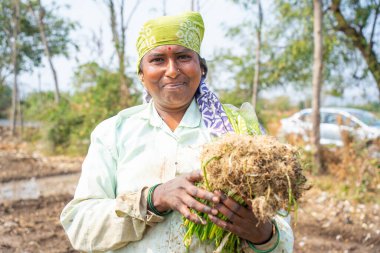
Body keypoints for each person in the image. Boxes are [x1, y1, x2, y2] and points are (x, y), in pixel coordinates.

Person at [60, 11, 294, 253]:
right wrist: (153, 199)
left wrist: (263, 236)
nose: (172, 70)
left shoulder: (239, 130)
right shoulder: (114, 133)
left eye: (183, 57)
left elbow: (282, 230)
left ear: (201, 69)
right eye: (158, 60)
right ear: (141, 75)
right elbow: (80, 226)